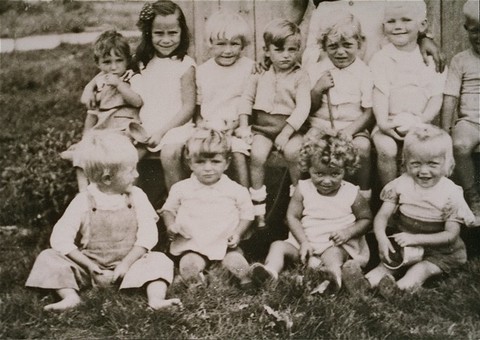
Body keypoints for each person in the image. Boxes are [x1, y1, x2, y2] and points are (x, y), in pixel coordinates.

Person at [26, 131, 180, 311]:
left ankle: (156, 300)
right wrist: (91, 267)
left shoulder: (137, 197)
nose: (137, 174)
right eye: (131, 170)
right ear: (107, 178)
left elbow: (148, 236)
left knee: (158, 260)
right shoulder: (84, 200)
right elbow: (61, 239)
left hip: (130, 265)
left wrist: (126, 264)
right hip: (90, 266)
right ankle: (70, 297)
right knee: (48, 257)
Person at [249, 132, 372, 293]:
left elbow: (366, 218)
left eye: (335, 174)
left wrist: (347, 232)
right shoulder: (303, 189)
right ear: (309, 168)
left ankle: (333, 279)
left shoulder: (351, 193)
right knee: (278, 246)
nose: (327, 181)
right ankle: (270, 272)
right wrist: (303, 242)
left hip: (335, 244)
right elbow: (292, 216)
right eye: (319, 174)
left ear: (345, 169)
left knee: (333, 256)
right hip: (304, 244)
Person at [365, 125, 475, 295]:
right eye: (416, 164)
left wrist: (415, 238)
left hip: (441, 251)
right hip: (406, 244)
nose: (424, 171)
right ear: (406, 162)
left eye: (432, 164)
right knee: (386, 264)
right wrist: (381, 238)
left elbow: (450, 235)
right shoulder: (401, 184)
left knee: (419, 270)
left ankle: (398, 290)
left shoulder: (450, 193)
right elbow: (383, 216)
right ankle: (364, 283)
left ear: (447, 163)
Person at [237, 19, 311, 227]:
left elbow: (302, 108)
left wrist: (287, 133)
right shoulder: (259, 73)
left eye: (292, 50)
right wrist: (244, 125)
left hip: (291, 128)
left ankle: (295, 207)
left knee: (293, 153)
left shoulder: (300, 76)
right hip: (263, 127)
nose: (286, 55)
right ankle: (259, 209)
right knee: (258, 155)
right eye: (279, 49)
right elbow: (246, 99)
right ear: (267, 51)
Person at [160, 128, 255, 289]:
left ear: (227, 163)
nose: (208, 168)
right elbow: (168, 210)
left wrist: (237, 233)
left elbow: (247, 214)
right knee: (188, 264)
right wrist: (171, 226)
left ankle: (246, 280)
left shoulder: (235, 189)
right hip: (193, 244)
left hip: (225, 245)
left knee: (236, 263)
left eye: (215, 162)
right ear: (190, 163)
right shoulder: (181, 188)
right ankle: (196, 282)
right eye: (200, 162)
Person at [369, 1, 446, 188]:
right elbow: (379, 93)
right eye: (391, 21)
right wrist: (383, 122)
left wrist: (421, 121)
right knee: (386, 148)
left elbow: (436, 97)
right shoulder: (381, 58)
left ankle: (415, 195)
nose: (398, 26)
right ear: (383, 26)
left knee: (421, 148)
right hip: (388, 121)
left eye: (406, 20)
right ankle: (391, 194)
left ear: (422, 25)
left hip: (420, 122)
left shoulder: (430, 59)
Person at [64, 30, 144, 192]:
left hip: (123, 130)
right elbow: (92, 114)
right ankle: (85, 193)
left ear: (127, 61)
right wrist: (84, 139)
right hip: (102, 130)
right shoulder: (99, 83)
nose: (113, 67)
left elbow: (137, 101)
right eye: (107, 62)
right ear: (98, 63)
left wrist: (119, 85)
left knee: (123, 157)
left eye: (119, 61)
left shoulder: (131, 77)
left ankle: (127, 192)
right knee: (83, 153)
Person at [306, 10, 374, 200]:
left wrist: (349, 131)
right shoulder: (316, 69)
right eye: (333, 46)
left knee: (362, 147)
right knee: (309, 144)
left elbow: (369, 113)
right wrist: (318, 89)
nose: (341, 51)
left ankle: (363, 196)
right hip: (320, 126)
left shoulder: (364, 72)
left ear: (359, 44)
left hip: (353, 126)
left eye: (347, 45)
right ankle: (312, 197)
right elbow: (308, 109)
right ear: (324, 46)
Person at [132, 0, 196, 190]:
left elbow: (188, 107)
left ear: (181, 32)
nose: (166, 40)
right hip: (147, 128)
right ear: (148, 33)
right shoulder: (143, 63)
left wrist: (162, 131)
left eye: (173, 33)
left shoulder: (185, 65)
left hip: (176, 127)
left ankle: (176, 208)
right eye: (159, 33)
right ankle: (132, 208)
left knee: (170, 154)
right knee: (126, 159)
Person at [280, 0, 445, 73]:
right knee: (324, 81)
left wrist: (423, 36)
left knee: (377, 81)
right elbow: (296, 3)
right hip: (328, 21)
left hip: (375, 22)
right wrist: (280, 38)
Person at [195, 10, 255, 187]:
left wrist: (236, 126)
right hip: (209, 127)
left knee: (236, 151)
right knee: (198, 150)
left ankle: (245, 197)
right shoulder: (203, 71)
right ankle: (202, 198)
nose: (228, 50)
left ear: (243, 44)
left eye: (234, 44)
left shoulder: (250, 68)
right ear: (210, 43)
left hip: (238, 127)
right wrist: (201, 125)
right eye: (221, 44)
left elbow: (253, 104)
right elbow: (198, 108)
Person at [441, 0, 480, 225]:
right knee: (460, 146)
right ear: (466, 29)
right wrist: (446, 129)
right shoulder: (460, 60)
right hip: (471, 122)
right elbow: (450, 96)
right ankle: (474, 198)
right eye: (475, 31)